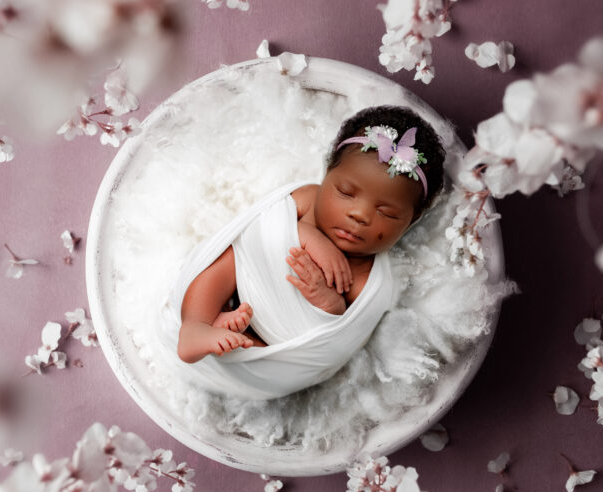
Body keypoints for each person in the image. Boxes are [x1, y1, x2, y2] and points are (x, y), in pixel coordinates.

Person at [176, 105, 446, 365]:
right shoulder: (307, 198)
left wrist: (329, 302)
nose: (360, 215)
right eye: (345, 192)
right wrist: (307, 236)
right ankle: (196, 325)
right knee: (230, 255)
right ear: (327, 173)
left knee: (276, 357)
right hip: (241, 283)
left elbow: (335, 342)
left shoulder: (366, 281)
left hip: (274, 342)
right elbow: (257, 228)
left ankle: (236, 336)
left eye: (386, 212)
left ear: (412, 221)